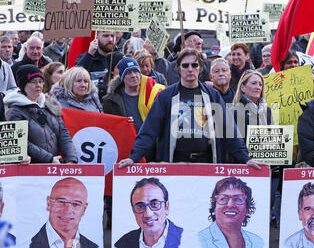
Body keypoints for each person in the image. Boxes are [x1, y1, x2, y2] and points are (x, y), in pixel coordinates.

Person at [118, 48, 262, 168]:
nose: (190, 69)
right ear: (178, 69)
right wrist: (134, 157)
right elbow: (149, 129)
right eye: (185, 65)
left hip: (206, 164)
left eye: (194, 65)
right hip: (174, 164)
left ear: (200, 69)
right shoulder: (166, 96)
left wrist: (245, 159)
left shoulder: (213, 95)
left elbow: (229, 129)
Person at [4, 65, 78, 164]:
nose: (38, 85)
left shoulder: (50, 105)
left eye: (40, 81)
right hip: (31, 170)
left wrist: (71, 159)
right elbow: (21, 143)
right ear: (23, 85)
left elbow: (63, 134)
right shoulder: (14, 111)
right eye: (33, 81)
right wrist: (49, 159)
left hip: (54, 166)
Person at [29, 177, 98, 248]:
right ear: (48, 203)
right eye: (61, 201)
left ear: (84, 209)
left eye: (76, 204)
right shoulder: (27, 246)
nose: (67, 210)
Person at [114, 177, 183, 248]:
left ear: (167, 207)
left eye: (154, 204)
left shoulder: (185, 239)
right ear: (133, 211)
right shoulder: (121, 245)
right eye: (140, 206)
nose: (148, 214)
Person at [198, 177, 263, 248]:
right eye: (223, 198)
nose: (230, 204)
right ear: (214, 207)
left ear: (247, 208)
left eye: (238, 199)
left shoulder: (257, 242)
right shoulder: (199, 241)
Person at [102, 57, 165, 133]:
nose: (133, 75)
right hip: (127, 141)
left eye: (135, 71)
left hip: (153, 141)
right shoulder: (112, 101)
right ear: (122, 77)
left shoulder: (154, 92)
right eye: (129, 73)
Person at [232, 70, 272, 143]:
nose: (258, 87)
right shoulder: (235, 111)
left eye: (260, 84)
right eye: (253, 83)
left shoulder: (267, 111)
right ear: (243, 88)